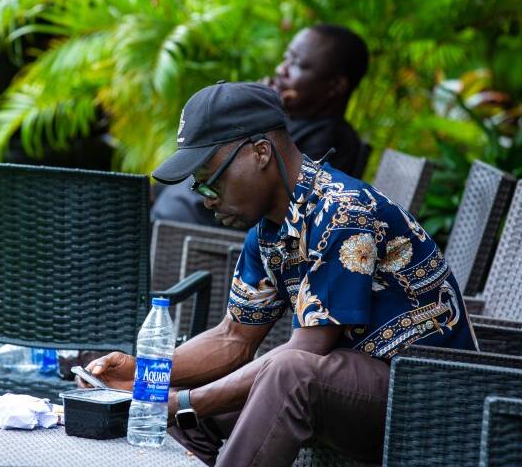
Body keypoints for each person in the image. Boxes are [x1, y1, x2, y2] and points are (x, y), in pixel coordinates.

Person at [79, 82, 477, 466]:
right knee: (216, 396)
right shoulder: (269, 232)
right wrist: (143, 373)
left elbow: (307, 353)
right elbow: (233, 338)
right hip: (350, 388)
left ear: (260, 153)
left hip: (427, 400)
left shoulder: (343, 213)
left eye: (210, 180)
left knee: (282, 374)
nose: (206, 200)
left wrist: (184, 402)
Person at [151, 24, 369, 229]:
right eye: (286, 58)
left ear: (335, 85)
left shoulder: (330, 139)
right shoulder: (285, 120)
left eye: (296, 64)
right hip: (164, 222)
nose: (281, 69)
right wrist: (257, 106)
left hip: (193, 235)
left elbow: (279, 208)